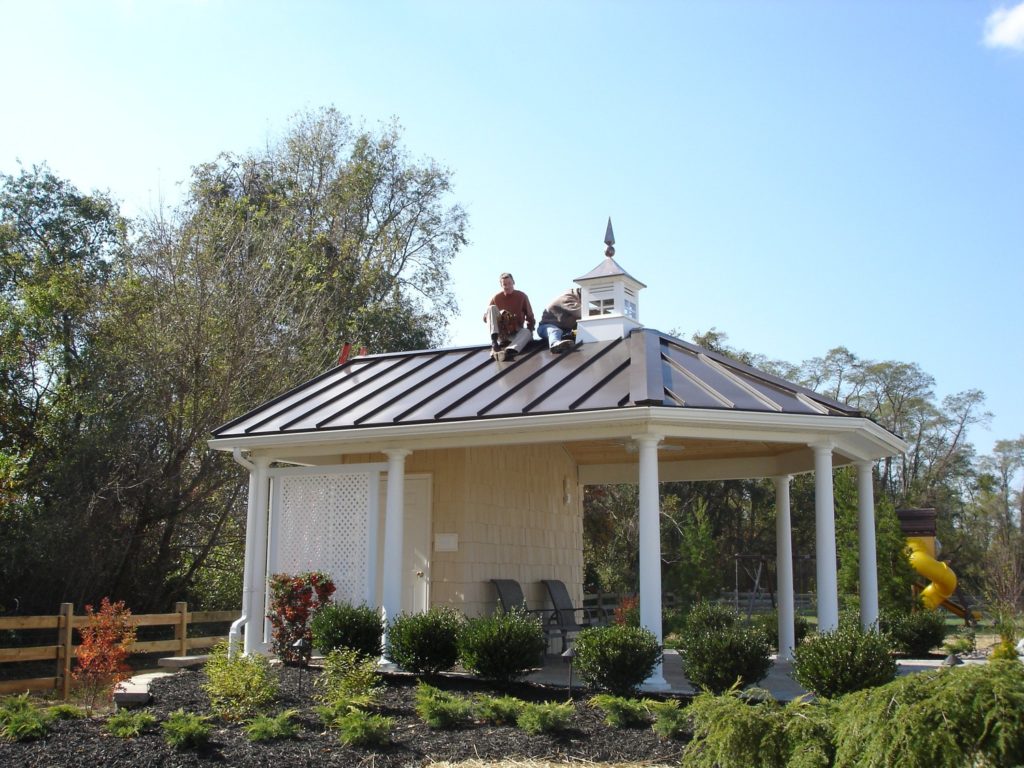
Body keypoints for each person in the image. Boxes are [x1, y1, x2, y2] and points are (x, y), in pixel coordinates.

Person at [484, 272, 534, 361]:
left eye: (509, 283)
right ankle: (494, 343)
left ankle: (509, 351)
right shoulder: (496, 298)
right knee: (491, 308)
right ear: (501, 285)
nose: (507, 286)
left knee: (527, 332)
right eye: (504, 284)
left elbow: (530, 316)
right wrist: (501, 315)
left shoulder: (522, 296)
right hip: (501, 333)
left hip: (516, 332)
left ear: (513, 282)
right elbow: (486, 318)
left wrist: (530, 333)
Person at [536, 287, 581, 353]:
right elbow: (581, 313)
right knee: (554, 330)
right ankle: (555, 344)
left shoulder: (575, 299)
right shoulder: (567, 299)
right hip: (545, 327)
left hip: (564, 331)